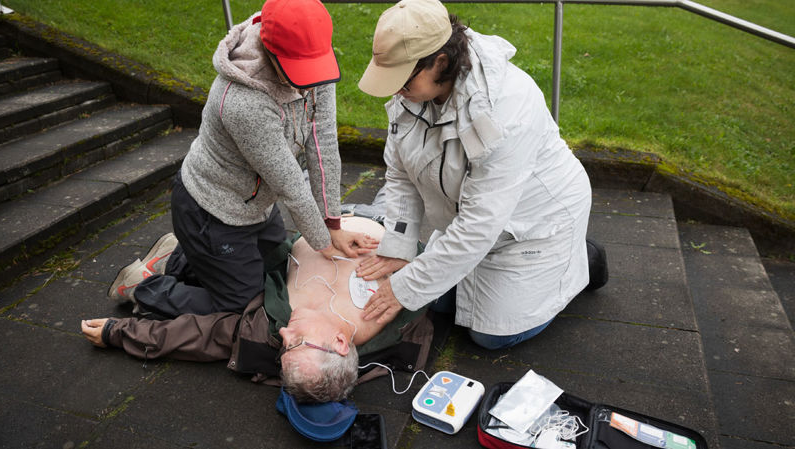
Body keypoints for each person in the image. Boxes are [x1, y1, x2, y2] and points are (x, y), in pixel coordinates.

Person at [106, 0, 376, 319]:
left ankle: (174, 259)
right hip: (212, 210)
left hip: (255, 206)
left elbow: (323, 139)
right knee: (243, 309)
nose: (306, 84)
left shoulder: (313, 59)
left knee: (279, 268)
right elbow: (289, 183)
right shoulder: (242, 103)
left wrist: (332, 222)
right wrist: (325, 242)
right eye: (295, 72)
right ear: (270, 51)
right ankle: (141, 287)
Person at [355, 0, 599, 350]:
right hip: (474, 219)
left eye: (403, 78)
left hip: (534, 224)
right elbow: (401, 174)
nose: (396, 89)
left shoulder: (506, 110)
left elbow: (479, 224)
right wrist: (398, 245)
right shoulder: (412, 92)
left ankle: (577, 263)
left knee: (490, 336)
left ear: (440, 61)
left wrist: (404, 287)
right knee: (436, 303)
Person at [83, 217, 432, 403]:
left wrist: (119, 332)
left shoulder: (267, 334)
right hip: (375, 215)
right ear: (340, 344)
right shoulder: (398, 320)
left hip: (256, 271)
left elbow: (201, 335)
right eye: (296, 342)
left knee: (224, 302)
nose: (284, 334)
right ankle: (176, 257)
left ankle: (144, 283)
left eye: (284, 346)